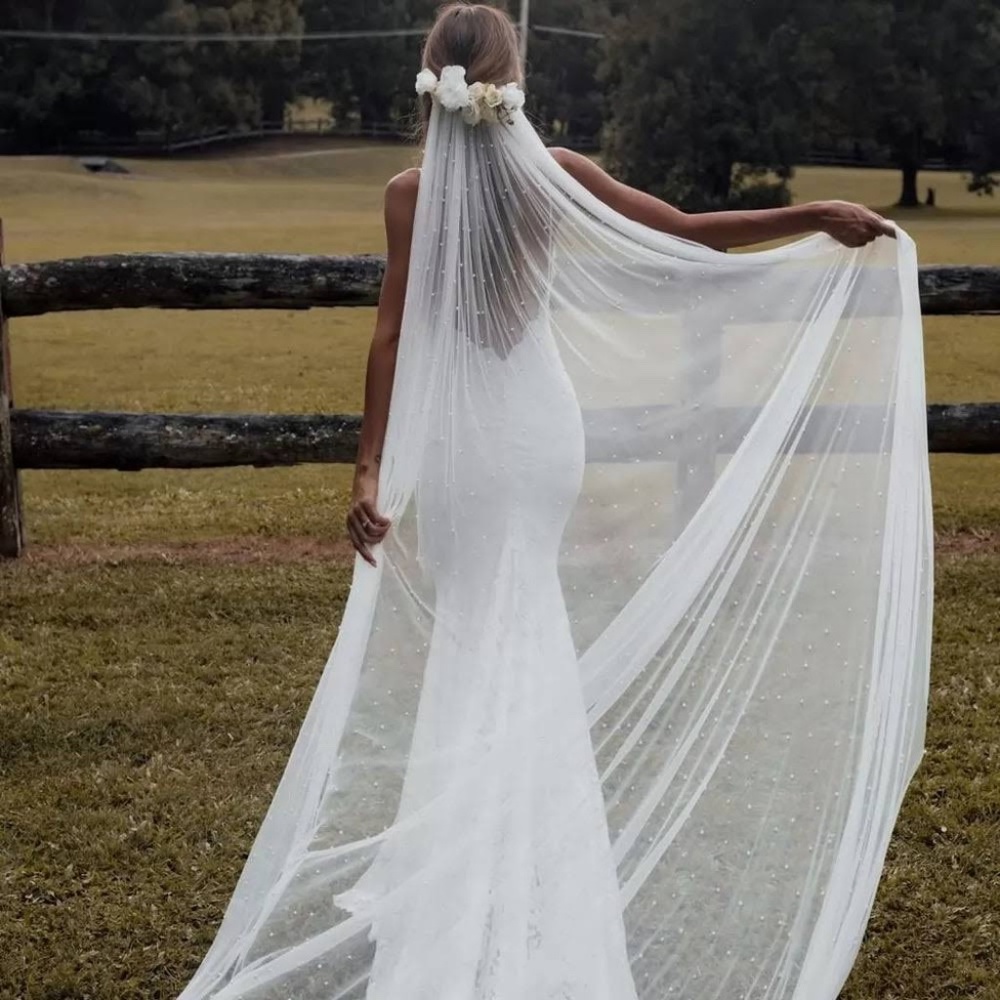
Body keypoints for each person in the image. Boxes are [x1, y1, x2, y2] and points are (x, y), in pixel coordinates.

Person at [176, 4, 932, 999]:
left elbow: (393, 338)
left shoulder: (410, 194)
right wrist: (811, 213)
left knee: (475, 639)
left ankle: (473, 883)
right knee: (517, 635)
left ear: (430, 81)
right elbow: (692, 235)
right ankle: (515, 878)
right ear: (512, 76)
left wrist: (368, 468)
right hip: (537, 438)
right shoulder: (556, 174)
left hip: (464, 447)